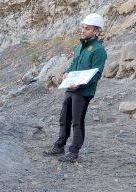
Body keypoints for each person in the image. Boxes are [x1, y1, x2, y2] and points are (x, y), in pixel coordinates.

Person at [43, 13, 107, 162]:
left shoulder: (99, 50)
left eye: (87, 28)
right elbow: (73, 65)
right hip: (70, 88)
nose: (83, 30)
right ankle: (59, 146)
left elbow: (96, 74)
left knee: (77, 121)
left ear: (96, 31)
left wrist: (81, 84)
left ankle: (73, 152)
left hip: (83, 92)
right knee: (64, 118)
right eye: (83, 27)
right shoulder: (79, 46)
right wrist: (66, 73)